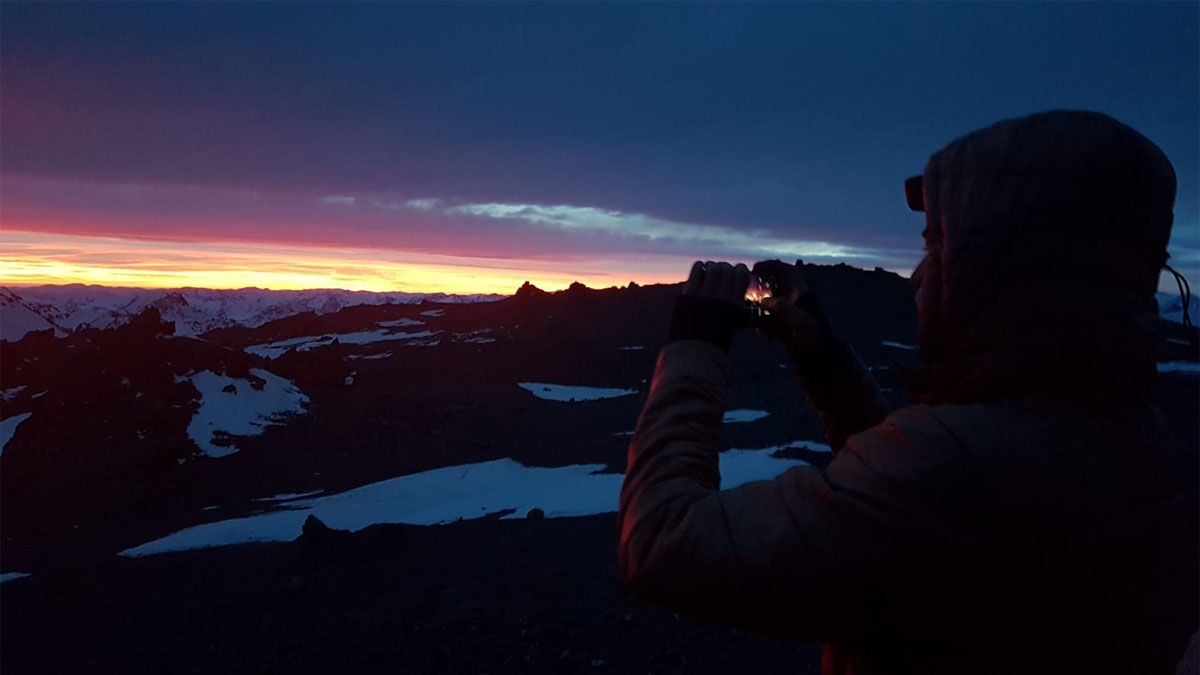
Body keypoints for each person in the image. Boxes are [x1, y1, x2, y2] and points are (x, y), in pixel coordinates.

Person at [617, 110, 1197, 675]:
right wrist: (821, 359)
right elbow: (906, 497)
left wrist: (695, 342)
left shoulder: (955, 470)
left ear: (996, 269)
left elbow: (662, 543)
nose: (919, 275)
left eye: (936, 248)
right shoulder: (1132, 433)